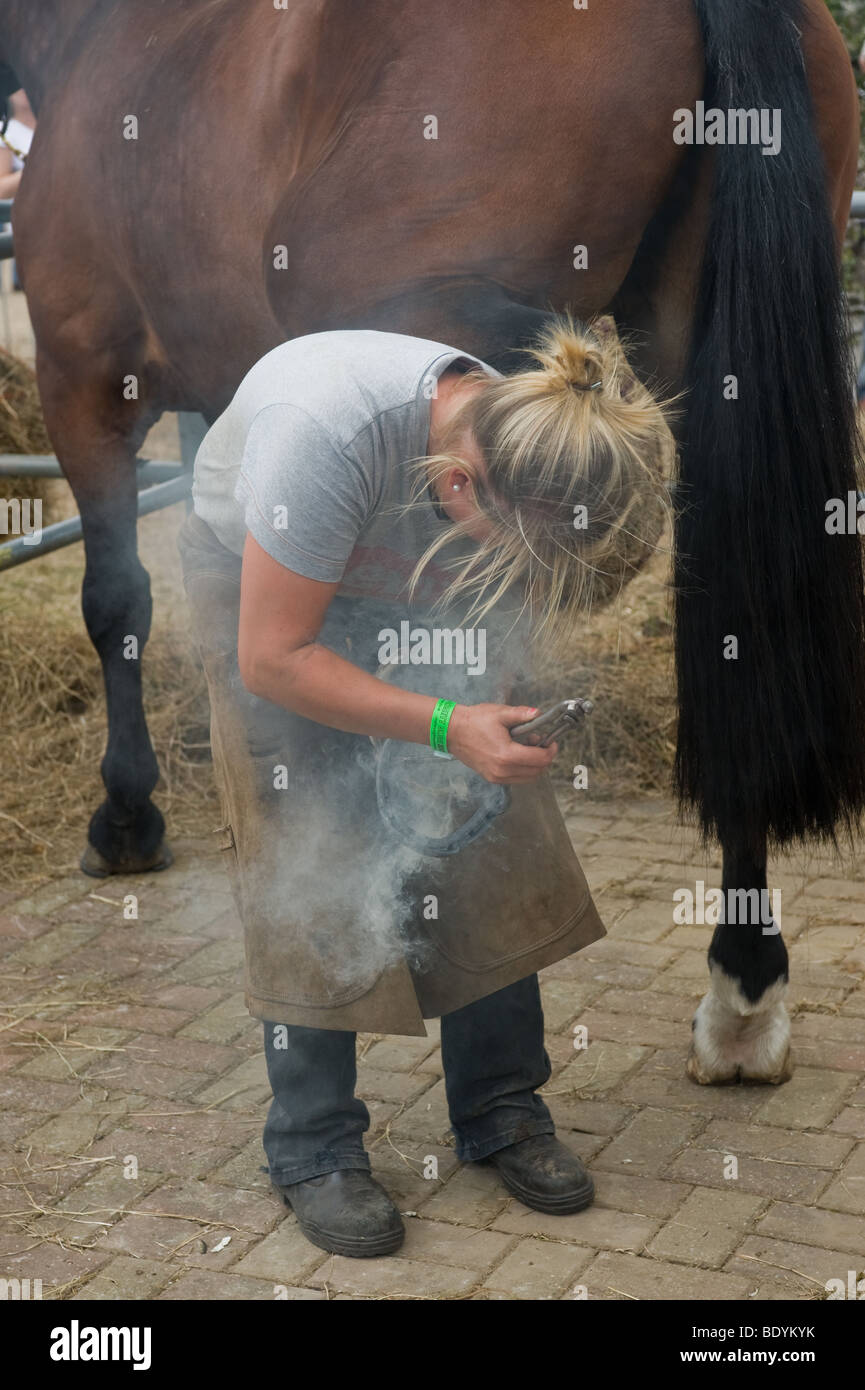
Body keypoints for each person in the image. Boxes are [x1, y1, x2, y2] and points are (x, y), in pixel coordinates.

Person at [177, 316, 674, 1258]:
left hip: (420, 561)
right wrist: (442, 723)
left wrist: (484, 698)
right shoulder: (318, 438)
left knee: (489, 825)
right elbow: (276, 658)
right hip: (271, 596)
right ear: (455, 485)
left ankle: (500, 1108)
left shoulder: (521, 436)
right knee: (309, 835)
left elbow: (509, 576)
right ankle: (314, 1146)